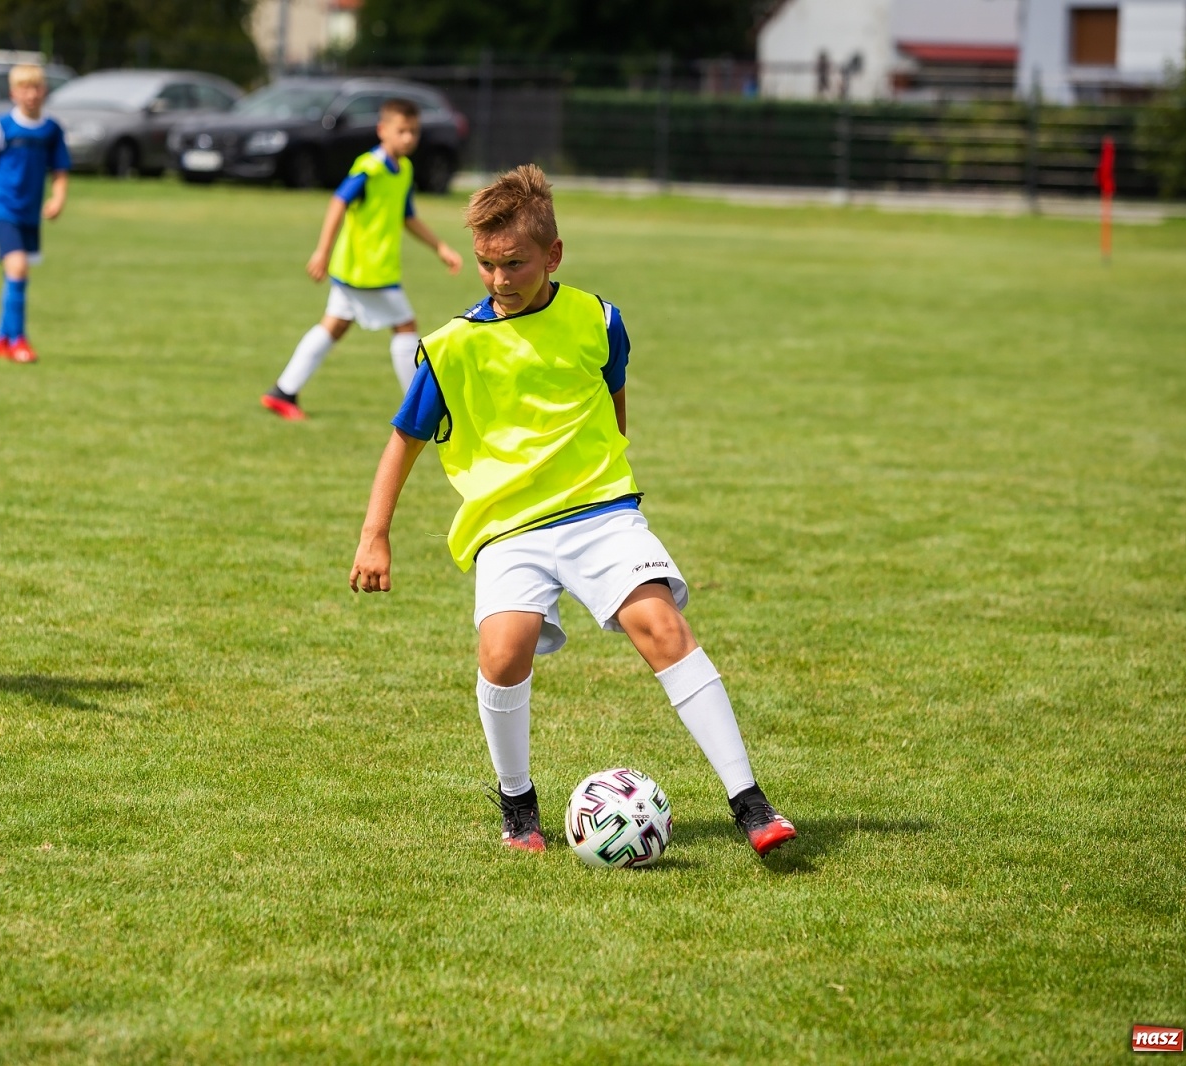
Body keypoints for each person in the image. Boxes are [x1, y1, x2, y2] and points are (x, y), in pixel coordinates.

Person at [349, 165, 796, 860]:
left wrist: (596, 470)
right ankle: (518, 805)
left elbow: (614, 410)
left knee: (662, 625)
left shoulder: (599, 318)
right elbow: (402, 441)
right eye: (487, 264)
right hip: (508, 528)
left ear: (554, 255)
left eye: (516, 263)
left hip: (598, 512)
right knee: (503, 651)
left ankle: (751, 803)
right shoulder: (450, 347)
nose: (499, 278)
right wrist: (375, 535)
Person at [261, 97, 463, 421]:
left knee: (335, 325)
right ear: (383, 130)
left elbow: (407, 216)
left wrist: (440, 247)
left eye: (414, 132)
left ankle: (283, 392)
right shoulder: (369, 168)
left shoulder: (404, 169)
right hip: (365, 270)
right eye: (402, 131)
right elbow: (337, 203)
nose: (409, 138)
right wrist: (322, 251)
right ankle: (419, 411)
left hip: (361, 270)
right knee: (405, 325)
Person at [0, 64, 70, 365]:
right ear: (13, 93)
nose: (31, 94)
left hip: (30, 213)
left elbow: (61, 171)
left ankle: (1, 338)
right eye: (24, 88)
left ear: (45, 91)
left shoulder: (52, 129)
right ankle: (18, 341)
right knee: (19, 268)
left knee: (15, 275)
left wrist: (58, 198)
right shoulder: (1, 127)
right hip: (1, 208)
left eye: (36, 87)